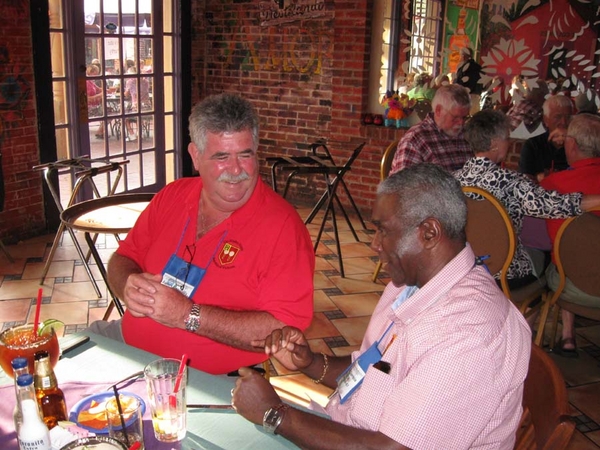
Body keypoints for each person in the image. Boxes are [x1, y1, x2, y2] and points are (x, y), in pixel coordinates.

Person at [231, 163, 532, 449]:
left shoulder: (468, 333)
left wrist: (275, 415)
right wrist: (309, 363)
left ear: (429, 233)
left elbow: (394, 448)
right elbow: (373, 369)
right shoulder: (410, 287)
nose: (375, 244)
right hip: (354, 428)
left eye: (384, 230)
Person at [90, 93, 315, 375]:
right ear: (195, 156)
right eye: (221, 157)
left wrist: (187, 315)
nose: (236, 171)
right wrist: (127, 284)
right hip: (128, 348)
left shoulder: (283, 227)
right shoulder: (172, 195)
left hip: (209, 379)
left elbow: (282, 329)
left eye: (245, 155)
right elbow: (123, 258)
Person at [455, 110, 600, 290]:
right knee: (546, 255)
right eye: (507, 139)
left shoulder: (451, 182)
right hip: (506, 272)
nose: (509, 144)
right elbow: (557, 205)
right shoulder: (511, 182)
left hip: (465, 269)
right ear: (494, 144)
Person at [540, 113, 600, 357]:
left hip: (570, 286)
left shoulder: (554, 185)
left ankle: (567, 336)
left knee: (563, 257)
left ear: (571, 145)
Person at [389, 84, 471, 175]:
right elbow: (404, 186)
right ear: (438, 110)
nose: (461, 123)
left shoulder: (467, 135)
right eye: (455, 117)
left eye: (464, 117)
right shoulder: (415, 140)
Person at [519, 94, 573, 182]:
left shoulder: (579, 145)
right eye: (557, 117)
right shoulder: (533, 145)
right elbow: (524, 179)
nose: (563, 122)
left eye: (568, 117)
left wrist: (570, 140)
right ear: (545, 120)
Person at [454, 47, 483, 114]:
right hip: (476, 98)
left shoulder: (463, 68)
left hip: (465, 98)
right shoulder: (479, 67)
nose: (460, 58)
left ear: (464, 56)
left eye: (460, 55)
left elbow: (458, 83)